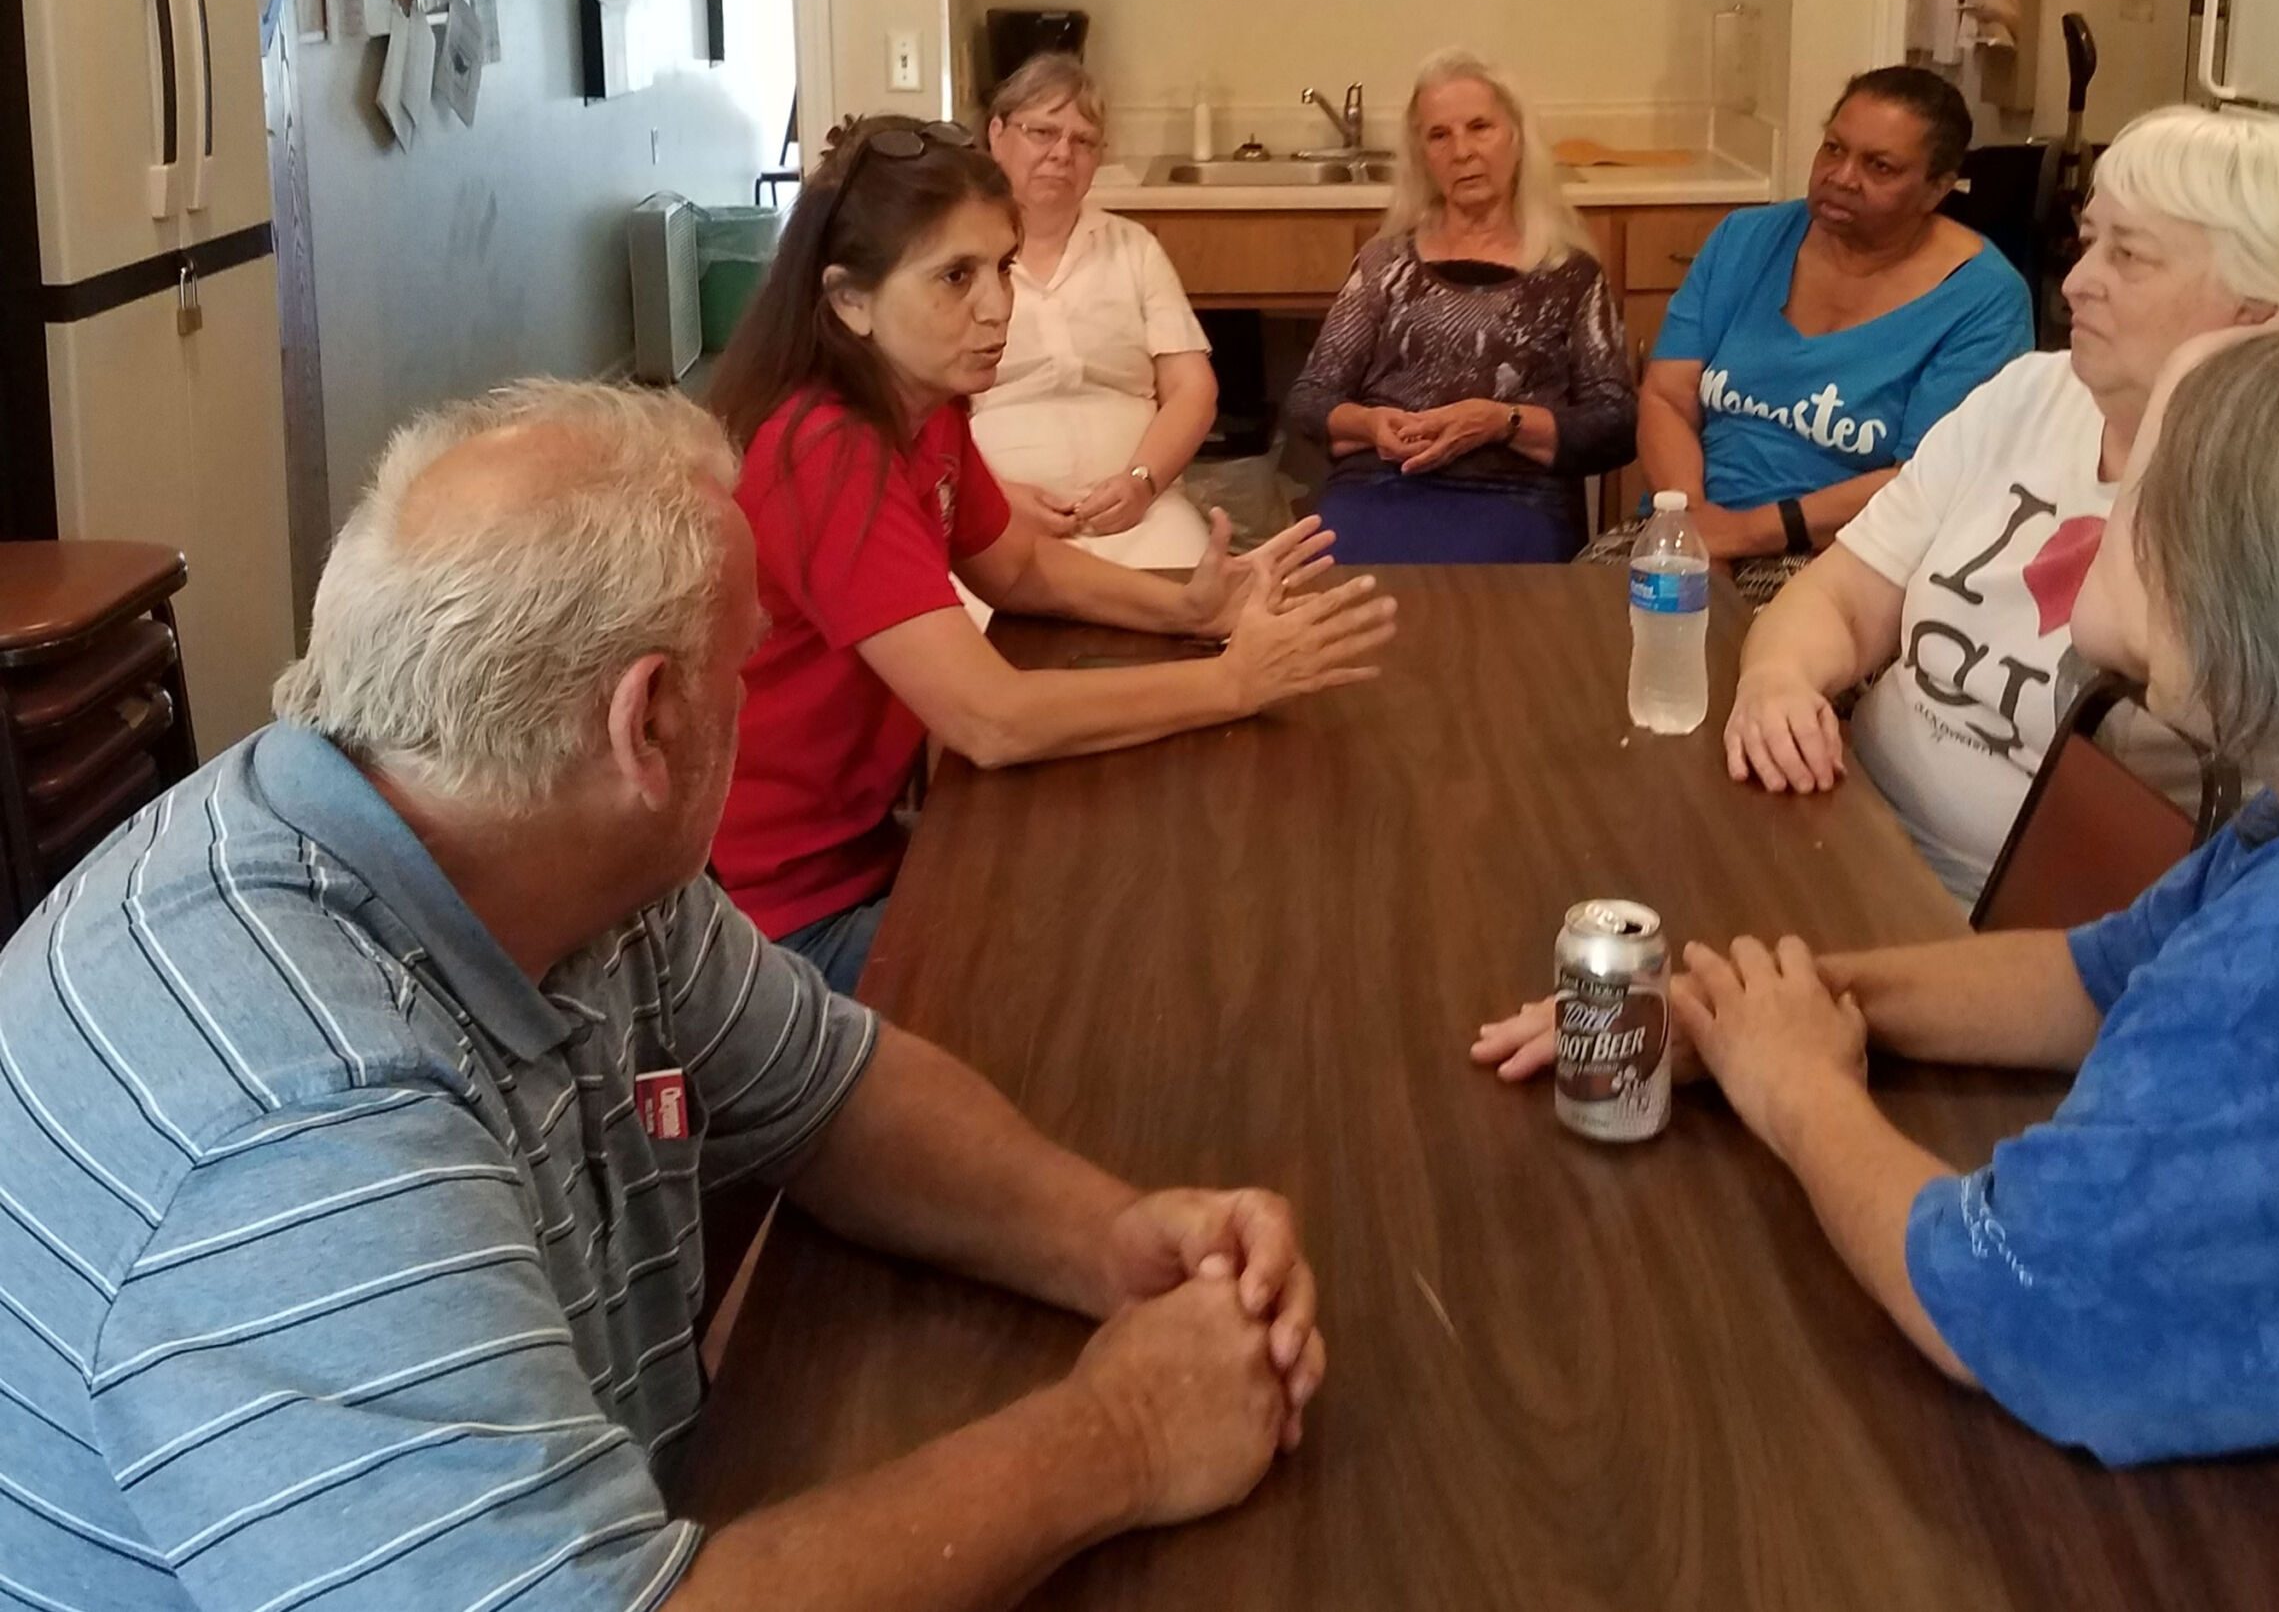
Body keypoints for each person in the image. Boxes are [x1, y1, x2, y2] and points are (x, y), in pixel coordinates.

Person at [0, 381, 1331, 1612]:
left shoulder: (541, 846)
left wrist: (1107, 1239)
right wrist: (1120, 1436)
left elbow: (828, 1090)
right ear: (647, 725)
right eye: (745, 663)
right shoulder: (300, 1125)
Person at [1482, 324, 2279, 1612]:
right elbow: (2091, 978)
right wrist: (1765, 1008)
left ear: (2270, 588)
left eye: (2149, 498)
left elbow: (1997, 1302)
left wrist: (1798, 1091)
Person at [704, 116, 1396, 994]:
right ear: (850, 301)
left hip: (871, 850)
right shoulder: (825, 452)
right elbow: (989, 719)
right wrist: (1232, 682)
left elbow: (1016, 567)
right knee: (1130, 953)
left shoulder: (922, 407)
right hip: (785, 921)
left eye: (1001, 266)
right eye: (955, 276)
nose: (998, 306)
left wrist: (1188, 607)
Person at [1721, 103, 2279, 903]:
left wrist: (2188, 404)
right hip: (1850, 818)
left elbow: (2168, 682)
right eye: (2090, 242)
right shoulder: (2029, 392)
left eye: (2129, 255)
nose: (2078, 282)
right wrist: (1777, 680)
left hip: (2025, 920)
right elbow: (1845, 594)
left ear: (2256, 310)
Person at [1638, 66, 2033, 602]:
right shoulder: (1744, 238)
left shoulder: (1984, 299)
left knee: (1752, 651)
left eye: (1879, 166)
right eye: (1833, 149)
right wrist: (1693, 529)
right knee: (1569, 630)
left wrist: (1741, 533)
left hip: (1846, 558)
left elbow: (1924, 480)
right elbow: (1667, 395)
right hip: (1691, 525)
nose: (1842, 177)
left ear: (1937, 189)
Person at [1282, 50, 1637, 564]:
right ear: (1422, 156)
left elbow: (1617, 423)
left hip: (1516, 496)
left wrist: (1501, 422)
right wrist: (1370, 424)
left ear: (1516, 138)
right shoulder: (1385, 264)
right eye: (1439, 135)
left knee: (1476, 596)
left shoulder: (1569, 273)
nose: (1462, 151)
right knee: (1335, 586)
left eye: (1479, 127)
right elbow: (1311, 397)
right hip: (1380, 483)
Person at [973, 54, 1222, 568]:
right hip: (996, 521)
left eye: (1083, 141)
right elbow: (922, 410)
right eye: (1043, 132)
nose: (1062, 153)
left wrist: (1142, 482)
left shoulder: (1133, 248)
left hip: (1141, 516)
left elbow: (1193, 389)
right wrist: (994, 498)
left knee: (1195, 596)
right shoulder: (960, 257)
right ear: (997, 135)